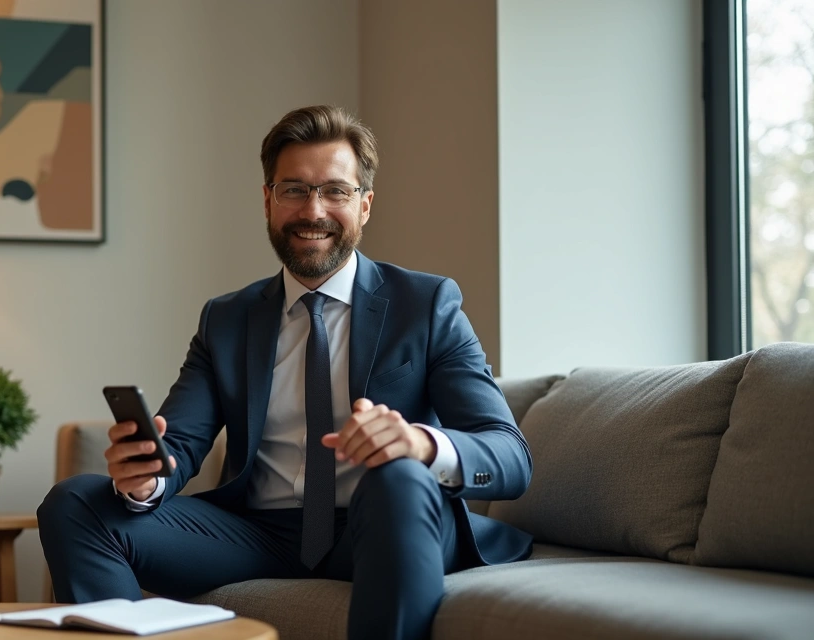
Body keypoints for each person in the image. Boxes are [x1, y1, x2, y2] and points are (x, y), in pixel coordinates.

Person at [38, 105, 533, 640]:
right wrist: (146, 478)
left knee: (399, 479)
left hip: (387, 519)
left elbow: (509, 454)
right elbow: (179, 441)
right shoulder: (226, 318)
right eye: (294, 189)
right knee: (75, 502)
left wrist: (419, 444)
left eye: (335, 192)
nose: (313, 209)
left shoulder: (426, 304)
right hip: (257, 533)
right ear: (268, 201)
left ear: (365, 206)